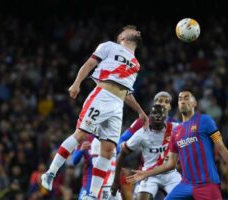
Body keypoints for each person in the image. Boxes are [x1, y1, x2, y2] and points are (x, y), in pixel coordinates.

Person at [41, 25, 149, 200]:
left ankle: (92, 194)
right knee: (81, 135)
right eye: (131, 29)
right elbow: (90, 64)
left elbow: (127, 92)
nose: (137, 30)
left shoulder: (136, 64)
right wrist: (76, 83)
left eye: (137, 29)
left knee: (107, 150)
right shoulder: (109, 46)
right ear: (122, 36)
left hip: (118, 104)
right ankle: (50, 173)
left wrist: (141, 112)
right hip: (102, 95)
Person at [126, 89, 228, 199]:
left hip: (207, 184)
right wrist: (146, 173)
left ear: (194, 103)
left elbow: (221, 148)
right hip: (185, 185)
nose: (182, 101)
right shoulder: (176, 131)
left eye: (186, 98)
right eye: (180, 99)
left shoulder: (205, 121)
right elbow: (170, 164)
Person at [111, 104, 182, 200]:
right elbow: (121, 155)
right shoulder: (141, 134)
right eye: (155, 113)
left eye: (161, 113)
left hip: (170, 174)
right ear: (150, 116)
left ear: (165, 116)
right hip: (149, 175)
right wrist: (116, 181)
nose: (158, 116)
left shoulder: (175, 128)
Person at [72, 135, 121, 200]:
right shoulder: (85, 137)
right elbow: (74, 161)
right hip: (88, 181)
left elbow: (118, 152)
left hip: (106, 181)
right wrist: (81, 150)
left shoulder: (109, 137)